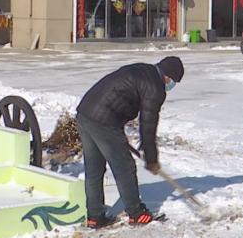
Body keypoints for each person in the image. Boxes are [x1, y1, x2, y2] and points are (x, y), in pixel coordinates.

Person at [76, 55, 184, 228]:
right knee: (125, 167)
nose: (172, 86)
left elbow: (119, 96)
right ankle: (136, 213)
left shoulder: (143, 69)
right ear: (168, 77)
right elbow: (148, 126)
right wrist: (151, 158)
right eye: (173, 82)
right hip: (104, 120)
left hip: (85, 113)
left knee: (94, 169)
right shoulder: (155, 88)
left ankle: (95, 216)